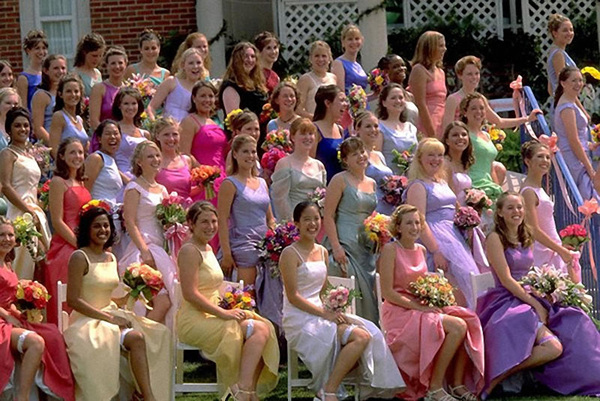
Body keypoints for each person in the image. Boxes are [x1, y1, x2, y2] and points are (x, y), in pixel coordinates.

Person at [477, 192, 600, 398]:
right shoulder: (494, 238)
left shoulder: (526, 236)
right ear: (500, 212)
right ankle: (496, 379)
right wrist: (535, 304)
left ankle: (588, 376)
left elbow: (530, 272)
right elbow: (506, 279)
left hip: (530, 292)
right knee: (553, 347)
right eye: (510, 208)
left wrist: (546, 289)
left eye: (519, 207)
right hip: (508, 297)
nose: (516, 211)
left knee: (575, 317)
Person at [281, 201, 405, 400]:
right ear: (297, 223)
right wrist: (325, 314)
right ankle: (329, 390)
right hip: (299, 318)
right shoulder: (289, 253)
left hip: (322, 311)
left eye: (316, 219)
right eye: (306, 219)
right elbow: (293, 296)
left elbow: (322, 290)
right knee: (360, 338)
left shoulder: (322, 251)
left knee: (368, 333)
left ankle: (328, 388)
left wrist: (335, 308)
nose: (313, 224)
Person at [64, 205, 172, 401]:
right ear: (87, 229)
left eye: (106, 226)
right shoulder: (79, 257)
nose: (103, 230)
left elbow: (108, 295)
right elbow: (73, 300)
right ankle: (145, 397)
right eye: (97, 226)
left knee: (159, 332)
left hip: (111, 313)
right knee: (134, 338)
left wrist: (133, 294)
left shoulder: (111, 257)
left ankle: (145, 394)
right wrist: (109, 318)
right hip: (87, 321)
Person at [380, 204, 484, 401]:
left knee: (468, 319)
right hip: (398, 311)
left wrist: (435, 297)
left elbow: (423, 284)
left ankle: (457, 384)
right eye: (409, 223)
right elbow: (387, 292)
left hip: (422, 307)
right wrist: (418, 307)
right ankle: (434, 388)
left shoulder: (420, 249)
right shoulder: (390, 250)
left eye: (417, 223)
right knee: (457, 326)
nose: (414, 227)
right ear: (398, 227)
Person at [177, 201, 279, 400]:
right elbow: (190, 294)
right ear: (191, 223)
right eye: (204, 222)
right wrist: (224, 313)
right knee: (257, 330)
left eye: (214, 221)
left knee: (264, 327)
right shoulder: (189, 251)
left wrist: (233, 304)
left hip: (213, 313)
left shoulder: (207, 248)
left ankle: (245, 389)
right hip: (194, 319)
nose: (210, 226)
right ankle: (244, 390)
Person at [0, 216, 75, 401]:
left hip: (8, 317)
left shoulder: (7, 264)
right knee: (36, 342)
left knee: (52, 334)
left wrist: (18, 312)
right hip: (2, 320)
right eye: (2, 235)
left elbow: (8, 298)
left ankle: (54, 391)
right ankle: (22, 397)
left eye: (10, 235)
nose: (7, 239)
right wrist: (7, 316)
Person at [404, 138, 479, 308]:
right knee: (450, 284)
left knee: (468, 277)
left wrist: (467, 219)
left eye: (439, 155)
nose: (436, 159)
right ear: (420, 158)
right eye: (431, 155)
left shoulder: (442, 182)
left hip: (453, 236)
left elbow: (455, 206)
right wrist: (435, 250)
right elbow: (419, 221)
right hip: (434, 238)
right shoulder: (418, 186)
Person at [119, 141, 175, 325]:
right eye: (150, 156)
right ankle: (140, 335)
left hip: (161, 249)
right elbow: (130, 221)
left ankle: (153, 337)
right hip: (143, 248)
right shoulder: (134, 188)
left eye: (157, 155)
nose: (156, 159)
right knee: (156, 301)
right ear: (139, 162)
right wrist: (144, 251)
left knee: (167, 301)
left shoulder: (163, 189)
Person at [323, 137, 379, 322]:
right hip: (345, 242)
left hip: (366, 245)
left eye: (362, 152)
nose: (361, 156)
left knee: (370, 288)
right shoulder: (339, 180)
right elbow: (328, 215)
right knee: (348, 281)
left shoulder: (372, 183)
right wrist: (336, 246)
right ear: (345, 160)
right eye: (355, 154)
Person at [44, 138, 91, 324]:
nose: (77, 156)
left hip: (84, 240)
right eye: (72, 152)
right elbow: (57, 221)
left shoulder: (81, 182)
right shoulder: (58, 182)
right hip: (66, 244)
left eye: (80, 152)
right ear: (62, 156)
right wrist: (78, 245)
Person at [0, 107, 50, 279]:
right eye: (17, 126)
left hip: (33, 213)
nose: (23, 129)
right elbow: (6, 186)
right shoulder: (8, 154)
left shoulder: (29, 155)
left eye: (26, 125)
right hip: (18, 214)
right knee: (20, 263)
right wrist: (27, 210)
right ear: (9, 130)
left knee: (39, 264)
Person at [218, 134, 274, 286]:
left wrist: (275, 239)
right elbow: (222, 220)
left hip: (264, 245)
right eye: (245, 151)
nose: (250, 156)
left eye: (253, 151)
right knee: (245, 292)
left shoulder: (262, 182)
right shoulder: (229, 184)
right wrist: (227, 254)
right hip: (243, 246)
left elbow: (270, 218)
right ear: (235, 154)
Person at [520, 140, 576, 279]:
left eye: (547, 157)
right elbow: (533, 229)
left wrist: (560, 246)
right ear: (528, 161)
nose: (545, 160)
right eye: (540, 156)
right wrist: (560, 250)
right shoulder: (528, 192)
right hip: (541, 251)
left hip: (552, 248)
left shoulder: (538, 188)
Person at [554, 66, 599, 200]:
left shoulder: (570, 101)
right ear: (563, 83)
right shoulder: (567, 108)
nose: (578, 84)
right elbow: (573, 140)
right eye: (573, 81)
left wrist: (591, 145)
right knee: (585, 196)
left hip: (580, 154)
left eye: (580, 80)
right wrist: (590, 169)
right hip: (574, 158)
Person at [180, 81, 228, 203]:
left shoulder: (215, 122)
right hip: (203, 180)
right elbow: (184, 153)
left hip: (221, 177)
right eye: (202, 96)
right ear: (194, 98)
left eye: (210, 96)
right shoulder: (189, 121)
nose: (207, 100)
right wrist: (206, 173)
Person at [271, 118, 326, 221]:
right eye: (303, 134)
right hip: (295, 221)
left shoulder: (319, 165)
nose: (308, 137)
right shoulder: (285, 164)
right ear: (293, 137)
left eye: (311, 134)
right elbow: (280, 199)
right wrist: (292, 224)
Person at [461, 93, 505, 200]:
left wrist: (497, 188)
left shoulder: (486, 135)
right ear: (465, 112)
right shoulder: (463, 134)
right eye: (473, 108)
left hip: (488, 183)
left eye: (482, 108)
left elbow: (490, 167)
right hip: (473, 184)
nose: (478, 111)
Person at [148, 48, 204, 123]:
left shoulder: (203, 88)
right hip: (169, 126)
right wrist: (153, 124)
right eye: (191, 63)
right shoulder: (172, 82)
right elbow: (151, 107)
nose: (195, 66)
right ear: (183, 65)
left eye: (198, 63)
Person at [354, 111, 394, 215]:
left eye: (376, 126)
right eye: (368, 126)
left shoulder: (379, 155)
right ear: (358, 129)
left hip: (388, 209)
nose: (373, 130)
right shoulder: (357, 156)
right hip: (371, 210)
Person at [408, 31, 447, 138]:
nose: (444, 49)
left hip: (441, 121)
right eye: (440, 46)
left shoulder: (441, 72)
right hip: (426, 122)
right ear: (430, 48)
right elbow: (420, 103)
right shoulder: (419, 70)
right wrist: (431, 132)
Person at [376, 83, 418, 175]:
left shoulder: (411, 127)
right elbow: (377, 158)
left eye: (401, 97)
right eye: (393, 98)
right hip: (389, 178)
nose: (398, 101)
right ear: (384, 102)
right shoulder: (379, 127)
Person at [218, 42, 268, 117]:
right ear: (237, 59)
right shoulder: (231, 86)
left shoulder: (258, 83)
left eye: (253, 56)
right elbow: (233, 118)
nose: (250, 60)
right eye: (246, 56)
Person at [84, 120, 127, 205]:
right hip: (98, 209)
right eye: (107, 134)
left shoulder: (111, 161)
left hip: (111, 210)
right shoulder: (96, 158)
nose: (112, 137)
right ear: (99, 139)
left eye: (116, 133)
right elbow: (85, 190)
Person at [312, 85, 347, 183]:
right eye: (341, 100)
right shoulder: (314, 129)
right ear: (327, 103)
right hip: (322, 185)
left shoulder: (340, 129)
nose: (345, 104)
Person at [154, 116, 196, 199]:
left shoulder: (186, 160)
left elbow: (187, 191)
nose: (171, 139)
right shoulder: (155, 162)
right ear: (157, 136)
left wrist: (202, 186)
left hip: (187, 206)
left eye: (175, 134)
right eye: (166, 135)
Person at [112, 87, 150, 176]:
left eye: (134, 103)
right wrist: (127, 180)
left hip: (141, 178)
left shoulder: (145, 134)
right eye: (126, 104)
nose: (130, 107)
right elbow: (110, 160)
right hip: (120, 178)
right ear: (119, 106)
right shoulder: (114, 130)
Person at [49, 74, 88, 158]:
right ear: (60, 94)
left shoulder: (79, 119)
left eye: (76, 91)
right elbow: (54, 149)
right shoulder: (59, 116)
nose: (73, 95)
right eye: (68, 91)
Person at [296, 41, 337, 119]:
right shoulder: (305, 79)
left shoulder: (333, 78)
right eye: (317, 56)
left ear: (329, 59)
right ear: (311, 59)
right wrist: (317, 119)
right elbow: (298, 109)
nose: (320, 59)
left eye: (324, 56)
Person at [31, 54, 67, 144]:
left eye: (63, 68)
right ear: (46, 70)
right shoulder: (41, 95)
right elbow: (38, 128)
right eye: (56, 68)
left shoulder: (68, 93)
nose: (60, 71)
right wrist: (55, 147)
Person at [89, 46, 127, 130]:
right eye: (113, 63)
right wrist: (109, 134)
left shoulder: (129, 89)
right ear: (107, 66)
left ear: (125, 64)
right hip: (104, 135)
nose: (117, 66)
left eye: (120, 63)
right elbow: (94, 121)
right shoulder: (99, 89)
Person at [377, 54, 418, 125]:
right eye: (395, 67)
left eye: (403, 65)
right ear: (386, 71)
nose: (401, 68)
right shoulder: (385, 95)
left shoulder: (410, 95)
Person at [16, 30, 48, 110]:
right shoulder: (24, 78)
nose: (41, 52)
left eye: (44, 48)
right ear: (28, 51)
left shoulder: (48, 74)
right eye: (37, 48)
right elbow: (23, 106)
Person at [332, 24, 368, 94]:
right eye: (350, 39)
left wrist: (375, 93)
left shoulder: (358, 65)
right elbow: (340, 94)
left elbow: (363, 98)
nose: (354, 42)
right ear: (343, 42)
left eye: (357, 39)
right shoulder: (338, 63)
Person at [547, 14, 576, 97]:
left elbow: (550, 88)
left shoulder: (553, 52)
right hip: (565, 101)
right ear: (555, 33)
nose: (569, 33)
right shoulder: (558, 55)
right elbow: (565, 86)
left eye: (571, 30)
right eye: (565, 30)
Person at [72, 32, 105, 98]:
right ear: (84, 53)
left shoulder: (97, 73)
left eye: (100, 56)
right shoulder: (75, 74)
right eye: (94, 56)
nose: (97, 59)